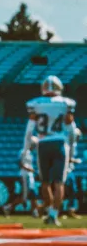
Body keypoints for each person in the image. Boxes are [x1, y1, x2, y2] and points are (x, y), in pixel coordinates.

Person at [25, 75, 77, 226]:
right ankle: (53, 214)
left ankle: (49, 211)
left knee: (45, 182)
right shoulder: (65, 103)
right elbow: (71, 129)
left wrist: (26, 148)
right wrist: (72, 149)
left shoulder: (36, 103)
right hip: (60, 142)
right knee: (59, 182)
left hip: (43, 142)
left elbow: (29, 130)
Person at [5, 137, 40, 218]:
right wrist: (29, 169)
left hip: (30, 176)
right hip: (24, 175)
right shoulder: (23, 151)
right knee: (24, 196)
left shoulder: (30, 153)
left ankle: (34, 211)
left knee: (32, 193)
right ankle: (8, 207)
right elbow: (20, 163)